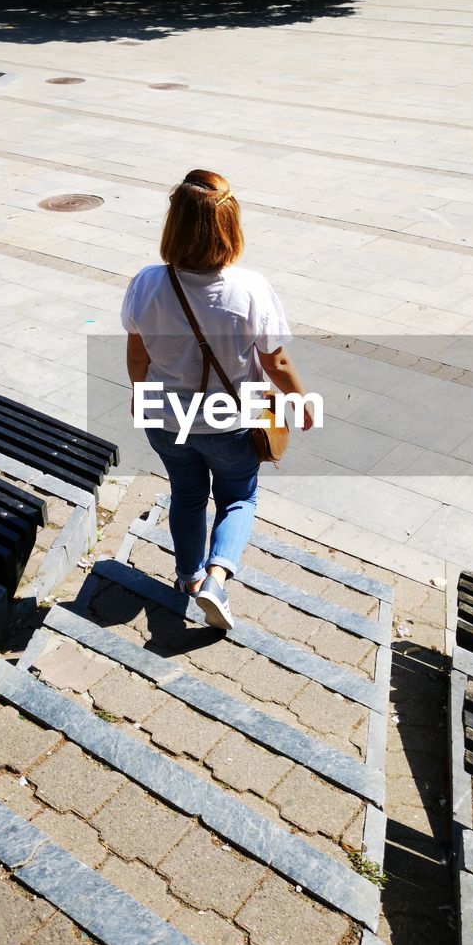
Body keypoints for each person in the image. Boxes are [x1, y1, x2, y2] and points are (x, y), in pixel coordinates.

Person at [122, 169, 313, 631]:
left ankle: (187, 577)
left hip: (166, 420)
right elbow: (276, 362)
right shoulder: (249, 288)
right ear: (229, 226)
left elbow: (137, 355)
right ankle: (217, 578)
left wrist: (140, 394)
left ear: (174, 225)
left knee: (186, 496)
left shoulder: (147, 283)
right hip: (230, 423)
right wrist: (301, 400)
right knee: (237, 499)